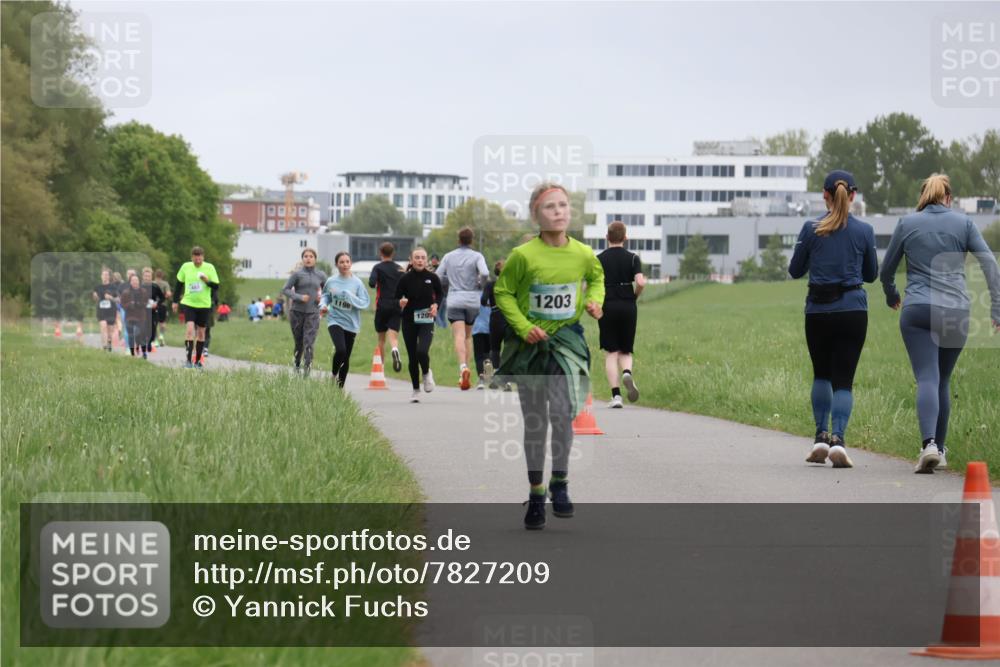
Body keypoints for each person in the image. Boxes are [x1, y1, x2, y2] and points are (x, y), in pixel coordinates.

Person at [494, 182, 605, 530]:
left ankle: (560, 482)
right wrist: (524, 326)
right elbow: (504, 292)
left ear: (570, 211)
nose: (558, 211)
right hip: (529, 346)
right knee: (535, 422)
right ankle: (536, 492)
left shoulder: (584, 253)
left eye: (563, 205)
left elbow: (596, 278)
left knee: (561, 412)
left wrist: (594, 301)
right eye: (549, 207)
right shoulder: (523, 255)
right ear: (536, 215)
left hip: (566, 342)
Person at [880, 173, 1000, 473]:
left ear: (923, 196)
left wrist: (891, 295)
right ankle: (940, 451)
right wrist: (996, 307)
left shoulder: (907, 224)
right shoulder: (964, 224)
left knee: (927, 378)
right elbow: (989, 262)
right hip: (956, 312)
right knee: (943, 379)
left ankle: (929, 444)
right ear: (949, 198)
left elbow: (886, 271)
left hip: (918, 309)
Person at [788, 170, 878, 470]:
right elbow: (871, 275)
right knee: (844, 381)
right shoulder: (864, 231)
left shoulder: (810, 229)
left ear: (824, 195)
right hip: (853, 311)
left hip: (818, 312)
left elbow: (795, 270)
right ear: (853, 196)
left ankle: (820, 437)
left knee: (822, 374)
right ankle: (839, 440)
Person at [597, 221, 646, 408]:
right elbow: (640, 282)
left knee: (611, 352)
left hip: (607, 305)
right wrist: (634, 296)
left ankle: (616, 396)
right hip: (627, 304)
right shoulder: (633, 258)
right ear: (625, 237)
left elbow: (589, 284)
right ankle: (627, 372)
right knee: (625, 349)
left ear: (606, 237)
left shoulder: (599, 259)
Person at [438, 228, 491, 390]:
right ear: (472, 240)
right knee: (468, 336)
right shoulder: (477, 256)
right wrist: (479, 284)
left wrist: (447, 286)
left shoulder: (448, 256)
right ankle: (466, 371)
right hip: (472, 299)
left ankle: (463, 368)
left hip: (454, 299)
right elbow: (485, 272)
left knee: (459, 335)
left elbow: (438, 275)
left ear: (458, 240)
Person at [395, 247, 444, 403]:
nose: (420, 260)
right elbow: (396, 298)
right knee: (412, 356)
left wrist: (436, 305)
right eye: (417, 257)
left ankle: (426, 373)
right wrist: (400, 302)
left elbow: (440, 294)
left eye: (423, 257)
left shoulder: (432, 277)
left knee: (422, 351)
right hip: (409, 320)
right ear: (411, 260)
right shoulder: (404, 279)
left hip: (426, 319)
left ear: (426, 260)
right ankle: (416, 389)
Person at [319, 251, 370, 387]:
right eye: (341, 262)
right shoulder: (331, 281)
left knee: (346, 356)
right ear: (337, 264)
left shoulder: (357, 283)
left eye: (347, 261)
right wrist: (323, 305)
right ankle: (333, 375)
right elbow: (325, 296)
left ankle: (339, 389)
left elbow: (364, 302)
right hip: (334, 319)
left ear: (351, 263)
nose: (345, 264)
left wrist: (350, 297)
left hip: (351, 323)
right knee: (340, 349)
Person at [172, 246, 220, 369]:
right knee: (189, 330)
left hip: (204, 304)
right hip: (189, 303)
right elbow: (178, 285)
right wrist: (175, 301)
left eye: (200, 257)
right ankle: (188, 361)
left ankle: (198, 361)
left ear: (203, 257)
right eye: (195, 257)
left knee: (201, 333)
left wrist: (207, 281)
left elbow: (216, 286)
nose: (198, 260)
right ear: (192, 257)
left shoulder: (209, 268)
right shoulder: (186, 267)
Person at [283, 248, 327, 376]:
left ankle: (306, 373)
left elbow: (328, 292)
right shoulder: (297, 274)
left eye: (311, 256)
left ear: (315, 259)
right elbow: (285, 289)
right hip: (297, 312)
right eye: (306, 256)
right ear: (302, 259)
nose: (308, 258)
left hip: (313, 313)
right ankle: (296, 368)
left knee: (309, 343)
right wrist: (299, 297)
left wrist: (322, 299)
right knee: (299, 343)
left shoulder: (321, 275)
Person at [369, 242, 405, 373]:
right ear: (393, 253)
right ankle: (395, 350)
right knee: (393, 336)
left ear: (380, 253)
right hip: (397, 304)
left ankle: (381, 368)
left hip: (382, 305)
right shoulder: (400, 268)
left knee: (381, 339)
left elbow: (372, 283)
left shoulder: (377, 268)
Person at [481, 260, 511, 390]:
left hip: (495, 317)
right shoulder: (512, 284)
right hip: (509, 317)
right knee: (508, 348)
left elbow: (483, 300)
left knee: (495, 349)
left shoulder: (490, 284)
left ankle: (495, 376)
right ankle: (507, 381)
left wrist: (490, 305)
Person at [118, 274, 151, 359]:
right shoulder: (126, 292)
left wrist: (139, 304)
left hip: (141, 316)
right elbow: (122, 304)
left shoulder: (143, 292)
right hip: (129, 316)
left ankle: (144, 352)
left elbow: (146, 302)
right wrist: (129, 304)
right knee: (131, 335)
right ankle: (132, 353)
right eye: (133, 280)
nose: (135, 282)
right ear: (130, 282)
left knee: (140, 334)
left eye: (136, 280)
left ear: (139, 281)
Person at [92, 268, 119, 352]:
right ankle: (104, 347)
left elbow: (118, 299)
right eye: (103, 275)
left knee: (110, 330)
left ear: (109, 277)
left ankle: (109, 343)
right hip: (101, 310)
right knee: (103, 326)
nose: (105, 276)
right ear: (101, 276)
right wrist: (95, 296)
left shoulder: (114, 287)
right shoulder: (97, 287)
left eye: (107, 275)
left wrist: (111, 297)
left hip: (111, 311)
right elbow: (95, 299)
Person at [140, 267, 165, 356]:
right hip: (142, 312)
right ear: (143, 277)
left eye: (149, 276)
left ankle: (150, 342)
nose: (147, 277)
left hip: (153, 311)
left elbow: (162, 297)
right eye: (145, 276)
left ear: (151, 277)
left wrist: (156, 304)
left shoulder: (155, 286)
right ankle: (143, 352)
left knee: (153, 330)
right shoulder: (139, 286)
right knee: (143, 330)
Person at [153, 269, 172, 346]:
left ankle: (156, 340)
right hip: (163, 305)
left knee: (154, 323)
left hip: (153, 305)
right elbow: (168, 293)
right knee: (162, 322)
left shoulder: (152, 283)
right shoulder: (165, 284)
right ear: (162, 276)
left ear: (155, 275)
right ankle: (161, 336)